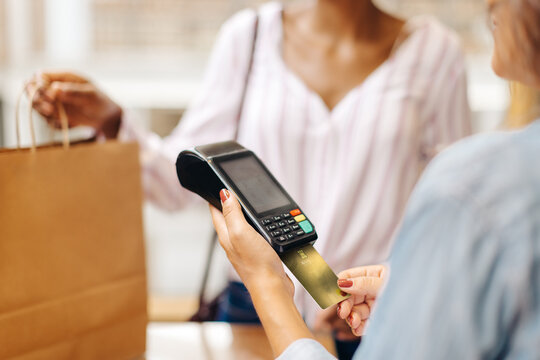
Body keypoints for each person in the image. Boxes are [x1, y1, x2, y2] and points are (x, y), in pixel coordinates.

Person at [27, 0, 470, 355]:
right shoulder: (249, 38)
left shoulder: (436, 52)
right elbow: (183, 180)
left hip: (372, 315)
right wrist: (114, 123)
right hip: (251, 311)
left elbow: (452, 212)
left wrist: (397, 284)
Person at [208, 0, 540, 358]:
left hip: (337, 319)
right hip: (340, 308)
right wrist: (409, 284)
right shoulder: (249, 36)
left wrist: (266, 281)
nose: (489, 3)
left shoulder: (470, 188)